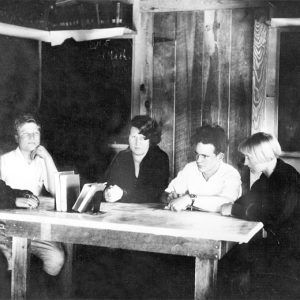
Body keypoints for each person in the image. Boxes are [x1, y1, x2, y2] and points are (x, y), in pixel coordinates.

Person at [220, 132, 300, 286]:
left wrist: (233, 210)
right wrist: (231, 206)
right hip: (280, 244)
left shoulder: (286, 177)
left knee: (234, 259)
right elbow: (248, 200)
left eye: (249, 157)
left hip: (292, 251)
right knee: (232, 256)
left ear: (265, 156)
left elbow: (273, 215)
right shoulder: (267, 177)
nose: (245, 163)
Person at [0, 114, 64, 277]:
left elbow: (58, 191)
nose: (32, 137)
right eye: (26, 133)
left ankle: (40, 288)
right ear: (16, 137)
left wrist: (48, 158)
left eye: (35, 133)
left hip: (35, 228)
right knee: (13, 262)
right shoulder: (4, 161)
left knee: (56, 259)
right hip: (5, 227)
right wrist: (15, 200)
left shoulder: (41, 161)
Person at [165, 124, 241, 212]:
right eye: (197, 154)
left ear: (220, 157)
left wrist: (190, 199)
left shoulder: (231, 174)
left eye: (204, 156)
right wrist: (170, 196)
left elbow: (227, 203)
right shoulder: (190, 168)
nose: (198, 160)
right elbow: (167, 193)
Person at [104, 115, 169, 203]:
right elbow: (108, 183)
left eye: (142, 138)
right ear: (128, 138)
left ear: (150, 140)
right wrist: (107, 193)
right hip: (122, 212)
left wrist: (123, 194)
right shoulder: (122, 157)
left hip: (151, 212)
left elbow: (154, 193)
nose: (137, 143)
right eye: (133, 137)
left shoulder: (160, 158)